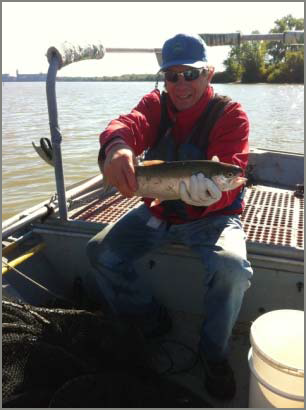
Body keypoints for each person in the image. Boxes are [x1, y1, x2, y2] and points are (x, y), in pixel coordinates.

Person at [86, 33, 253, 400]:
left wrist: (212, 196)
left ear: (208, 74)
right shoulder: (155, 105)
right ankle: (150, 319)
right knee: (100, 254)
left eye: (190, 74)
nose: (180, 84)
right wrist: (116, 149)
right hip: (158, 211)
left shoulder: (231, 115)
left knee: (233, 269)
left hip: (214, 217)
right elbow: (127, 124)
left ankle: (213, 355)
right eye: (172, 75)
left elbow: (234, 173)